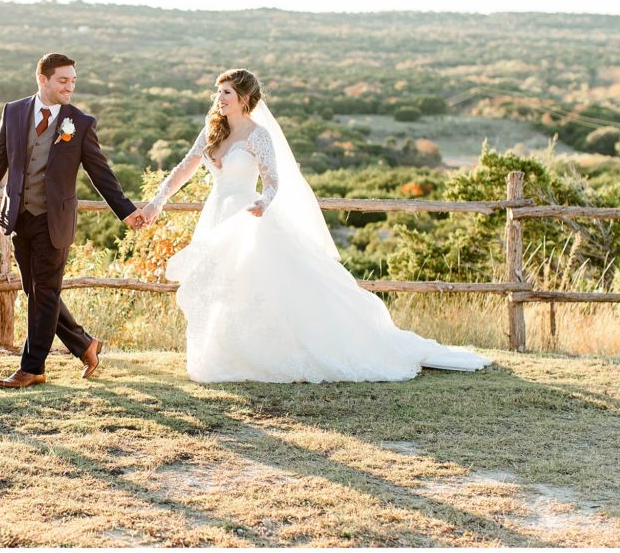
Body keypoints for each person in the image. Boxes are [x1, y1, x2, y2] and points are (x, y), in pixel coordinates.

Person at [139, 68, 492, 383]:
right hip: (216, 216)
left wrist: (263, 201)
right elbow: (185, 167)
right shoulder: (212, 131)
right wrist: (157, 201)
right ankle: (222, 355)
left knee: (254, 288)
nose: (219, 99)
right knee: (219, 287)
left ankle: (265, 356)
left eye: (226, 93)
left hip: (248, 217)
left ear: (244, 99)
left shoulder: (259, 135)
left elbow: (273, 182)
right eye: (218, 93)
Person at [0, 53, 145, 388]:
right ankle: (84, 344)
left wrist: (126, 209)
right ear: (43, 80)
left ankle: (33, 367)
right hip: (19, 217)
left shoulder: (80, 122)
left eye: (73, 80)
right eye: (63, 80)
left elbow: (100, 173)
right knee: (39, 294)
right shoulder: (14, 111)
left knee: (44, 292)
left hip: (55, 221)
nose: (70, 87)